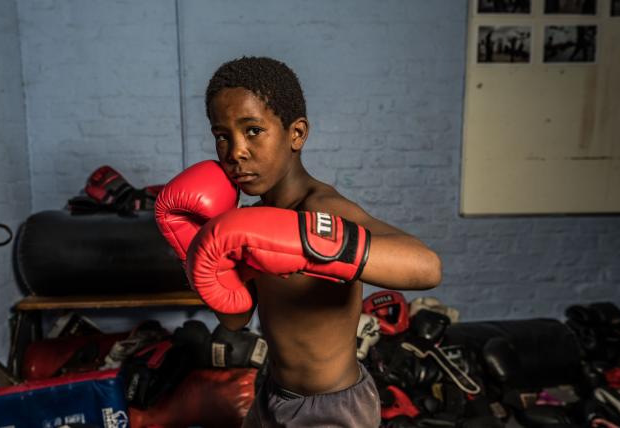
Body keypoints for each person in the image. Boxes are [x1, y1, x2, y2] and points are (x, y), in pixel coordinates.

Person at [156, 56, 442, 427]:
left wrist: (307, 240)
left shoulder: (321, 207)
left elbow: (427, 266)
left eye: (253, 130)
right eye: (222, 136)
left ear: (297, 133)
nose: (236, 151)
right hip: (274, 393)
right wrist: (194, 249)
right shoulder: (250, 223)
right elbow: (236, 316)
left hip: (331, 409)